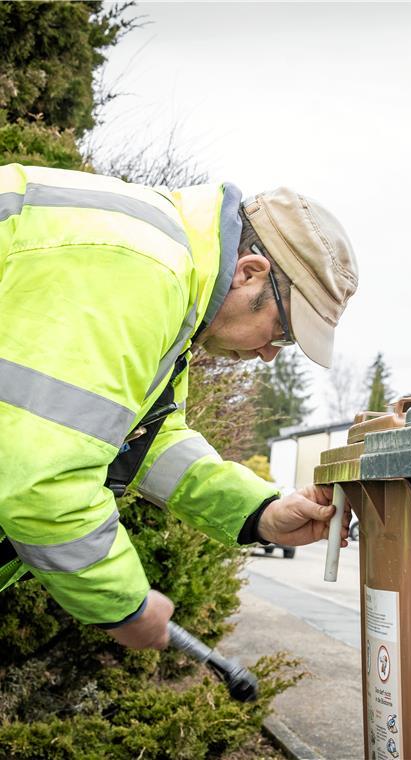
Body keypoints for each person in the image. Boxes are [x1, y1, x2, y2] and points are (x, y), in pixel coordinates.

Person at [0, 164, 359, 650]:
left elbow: (147, 440)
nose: (271, 353)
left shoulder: (168, 275)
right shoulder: (141, 267)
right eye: (283, 332)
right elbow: (42, 480)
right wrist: (124, 606)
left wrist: (261, 511)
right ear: (251, 274)